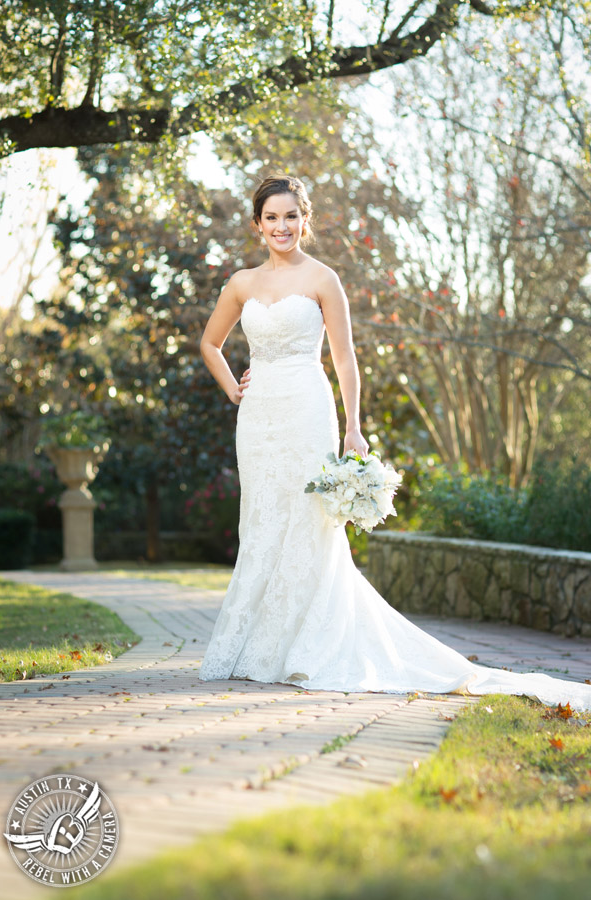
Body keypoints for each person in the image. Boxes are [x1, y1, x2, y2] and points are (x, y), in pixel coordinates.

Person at [198, 173, 591, 712]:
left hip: (309, 409)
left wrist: (354, 426)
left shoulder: (323, 279)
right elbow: (209, 342)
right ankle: (258, 647)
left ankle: (308, 645)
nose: (281, 226)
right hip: (260, 416)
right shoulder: (242, 283)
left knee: (310, 523)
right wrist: (234, 391)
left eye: (291, 216)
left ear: (304, 220)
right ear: (257, 223)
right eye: (271, 217)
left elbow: (344, 359)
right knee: (262, 520)